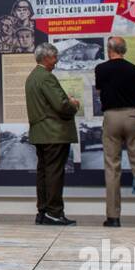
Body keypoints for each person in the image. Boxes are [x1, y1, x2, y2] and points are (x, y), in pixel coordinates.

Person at [93, 37, 135, 227]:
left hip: (111, 116)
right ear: (125, 50)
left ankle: (113, 217)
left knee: (112, 167)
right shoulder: (134, 70)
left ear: (109, 49)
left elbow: (99, 92)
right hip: (132, 115)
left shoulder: (101, 69)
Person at [25, 42, 79, 226]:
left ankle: (43, 212)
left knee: (44, 174)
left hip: (40, 133)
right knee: (55, 174)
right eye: (54, 57)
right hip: (54, 133)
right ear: (46, 57)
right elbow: (61, 105)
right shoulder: (47, 77)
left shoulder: (32, 77)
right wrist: (74, 104)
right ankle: (55, 213)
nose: (56, 61)